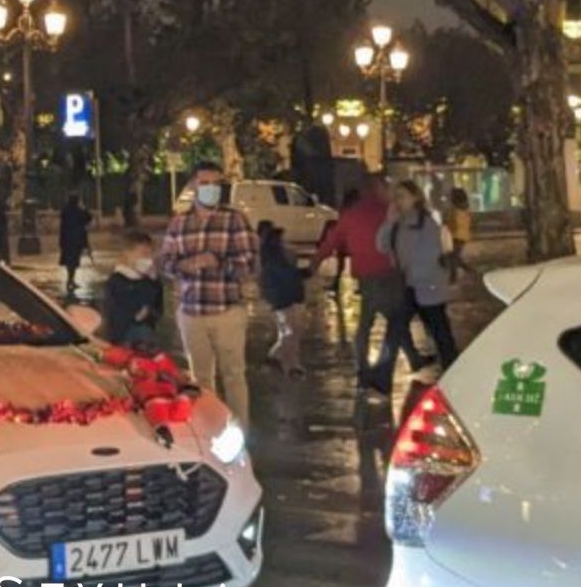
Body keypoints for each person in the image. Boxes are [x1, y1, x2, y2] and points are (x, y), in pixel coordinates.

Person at [157, 161, 259, 427]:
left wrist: (219, 263)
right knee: (200, 377)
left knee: (234, 374)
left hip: (227, 310)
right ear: (193, 186)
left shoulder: (234, 220)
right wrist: (182, 265)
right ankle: (210, 429)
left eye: (215, 184)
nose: (210, 189)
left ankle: (240, 431)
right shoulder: (179, 223)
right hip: (191, 312)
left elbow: (250, 265)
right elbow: (165, 263)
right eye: (205, 183)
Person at [316, 173, 429, 396]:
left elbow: (330, 243)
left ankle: (365, 370)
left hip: (367, 278)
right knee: (395, 324)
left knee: (370, 326)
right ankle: (384, 371)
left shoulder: (352, 214)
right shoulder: (389, 211)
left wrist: (311, 267)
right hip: (390, 275)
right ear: (378, 189)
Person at [379, 180, 459, 379]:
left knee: (440, 333)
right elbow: (381, 245)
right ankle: (381, 376)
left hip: (427, 287)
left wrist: (412, 273)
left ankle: (454, 372)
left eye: (402, 196)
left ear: (415, 198)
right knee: (394, 331)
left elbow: (430, 255)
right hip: (407, 287)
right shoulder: (398, 224)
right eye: (395, 197)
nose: (398, 201)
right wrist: (389, 222)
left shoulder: (428, 223)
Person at [258, 221, 307, 378]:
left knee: (290, 332)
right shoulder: (277, 260)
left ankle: (287, 363)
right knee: (291, 333)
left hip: (283, 300)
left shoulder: (271, 259)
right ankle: (283, 362)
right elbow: (288, 278)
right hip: (286, 299)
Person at [102, 230, 163, 348]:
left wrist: (153, 281)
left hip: (146, 337)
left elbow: (157, 309)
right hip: (123, 340)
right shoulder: (116, 281)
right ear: (127, 254)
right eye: (144, 254)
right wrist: (138, 315)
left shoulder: (150, 281)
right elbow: (114, 317)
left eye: (150, 253)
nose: (148, 258)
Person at [58, 192, 91, 295]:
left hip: (67, 240)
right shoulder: (79, 211)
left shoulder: (65, 211)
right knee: (74, 260)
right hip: (77, 240)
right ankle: (71, 279)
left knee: (69, 260)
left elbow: (62, 227)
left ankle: (70, 279)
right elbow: (88, 218)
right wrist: (84, 207)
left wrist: (61, 240)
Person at [444, 187, 476, 282]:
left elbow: (452, 224)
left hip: (455, 236)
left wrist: (446, 223)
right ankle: (468, 270)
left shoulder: (455, 210)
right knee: (454, 256)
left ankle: (454, 277)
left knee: (453, 257)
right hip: (462, 236)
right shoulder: (465, 209)